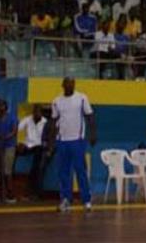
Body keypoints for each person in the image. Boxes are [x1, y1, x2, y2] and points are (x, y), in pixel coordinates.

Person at [49, 77, 97, 212]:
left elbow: (90, 116)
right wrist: (52, 142)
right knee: (63, 172)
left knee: (81, 171)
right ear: (63, 85)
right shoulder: (56, 101)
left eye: (72, 83)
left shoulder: (82, 98)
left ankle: (86, 200)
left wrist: (93, 134)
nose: (70, 86)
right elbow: (53, 122)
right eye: (68, 84)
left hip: (77, 140)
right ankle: (65, 200)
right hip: (62, 141)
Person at [17, 104, 48, 199]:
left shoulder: (45, 122)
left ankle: (34, 189)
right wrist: (20, 143)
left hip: (38, 146)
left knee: (38, 162)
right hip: (27, 145)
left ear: (41, 113)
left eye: (38, 112)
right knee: (12, 151)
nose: (36, 113)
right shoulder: (27, 119)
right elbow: (17, 129)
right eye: (35, 111)